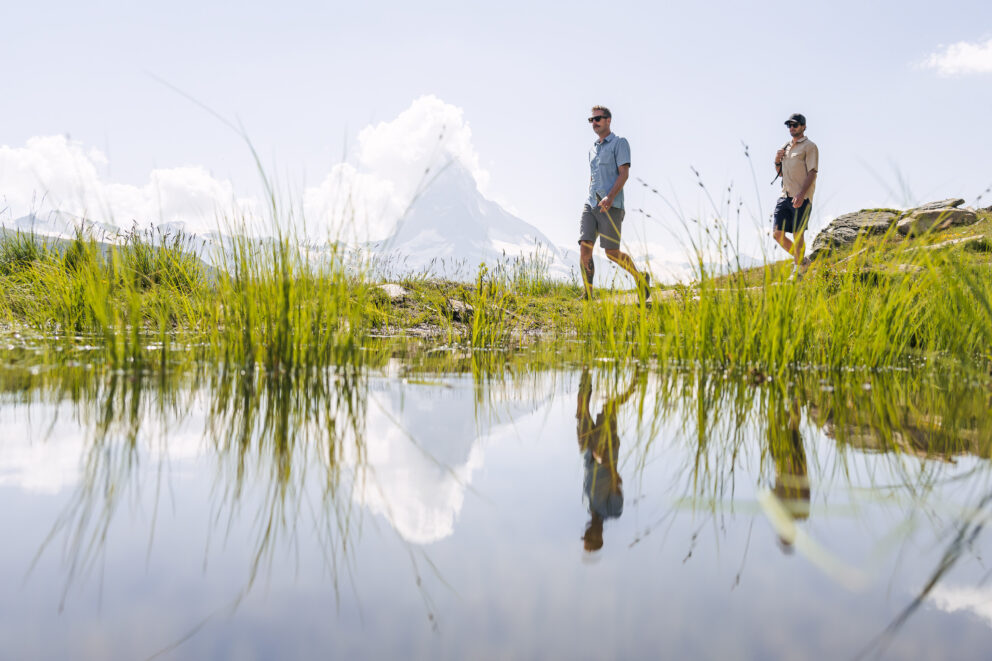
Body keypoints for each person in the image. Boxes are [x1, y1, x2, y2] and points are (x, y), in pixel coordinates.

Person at [580, 105, 650, 300]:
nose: (594, 123)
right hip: (591, 204)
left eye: (598, 119)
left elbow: (624, 173)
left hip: (612, 205)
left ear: (608, 120)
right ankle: (588, 294)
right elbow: (593, 177)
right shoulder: (592, 149)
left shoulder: (620, 143)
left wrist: (610, 197)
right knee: (585, 245)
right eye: (591, 120)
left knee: (611, 252)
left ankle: (640, 278)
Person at [575, 367, 639, 552]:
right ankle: (634, 383)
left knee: (581, 410)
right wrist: (604, 461)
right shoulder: (613, 511)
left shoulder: (587, 506)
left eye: (586, 534)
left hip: (587, 451)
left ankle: (586, 368)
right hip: (606, 450)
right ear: (599, 536)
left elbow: (587, 477)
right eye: (590, 536)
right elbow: (617, 482)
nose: (588, 531)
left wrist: (589, 455)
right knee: (609, 407)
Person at [773, 113, 819, 280]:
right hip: (784, 196)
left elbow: (812, 172)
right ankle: (802, 261)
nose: (792, 128)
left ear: (803, 126)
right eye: (789, 125)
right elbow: (780, 174)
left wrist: (801, 194)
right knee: (777, 234)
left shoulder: (810, 146)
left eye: (795, 125)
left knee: (798, 234)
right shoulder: (785, 147)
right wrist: (777, 161)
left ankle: (798, 270)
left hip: (802, 197)